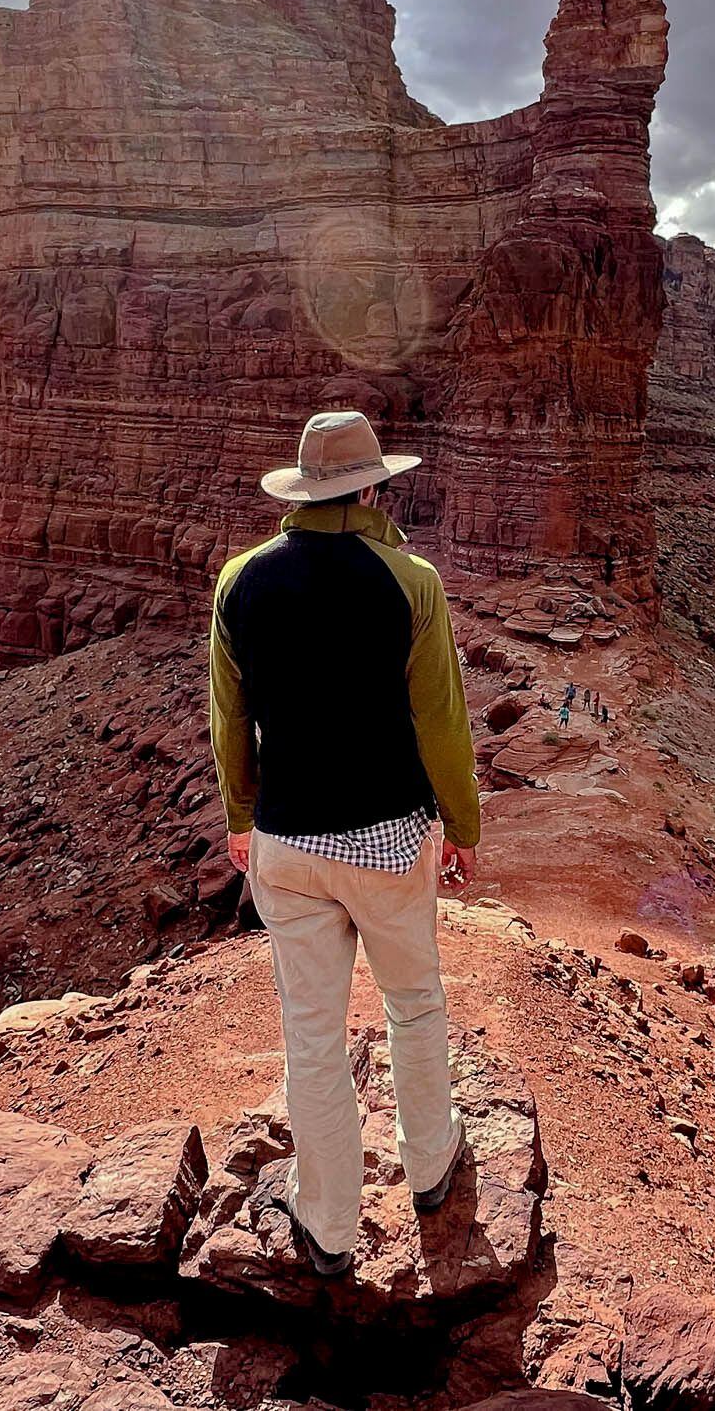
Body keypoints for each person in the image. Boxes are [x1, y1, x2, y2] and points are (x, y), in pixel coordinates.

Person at [208, 410, 481, 1278]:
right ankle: (432, 1166)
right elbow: (442, 720)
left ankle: (328, 1226)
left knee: (312, 1036)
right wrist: (462, 826)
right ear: (371, 487)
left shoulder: (238, 581)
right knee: (414, 1003)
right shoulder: (411, 579)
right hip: (391, 839)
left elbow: (231, 722)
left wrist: (242, 819)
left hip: (286, 843)